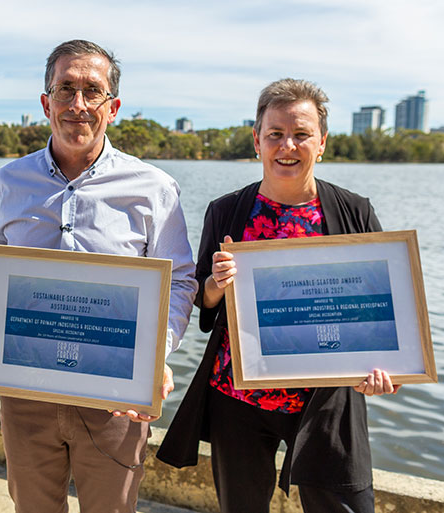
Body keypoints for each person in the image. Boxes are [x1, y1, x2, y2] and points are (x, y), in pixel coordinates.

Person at [0, 40, 197, 513]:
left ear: (114, 107)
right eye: (65, 89)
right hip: (24, 388)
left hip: (115, 395)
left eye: (93, 91)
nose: (78, 105)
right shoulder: (9, 181)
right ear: (46, 103)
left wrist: (153, 355)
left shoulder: (154, 188)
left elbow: (182, 282)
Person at [156, 78, 399, 513]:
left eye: (301, 134)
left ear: (321, 143)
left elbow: (383, 307)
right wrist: (216, 283)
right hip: (239, 397)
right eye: (275, 134)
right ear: (257, 141)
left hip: (328, 398)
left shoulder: (354, 211)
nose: (288, 145)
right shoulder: (226, 210)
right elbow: (204, 305)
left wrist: (388, 366)